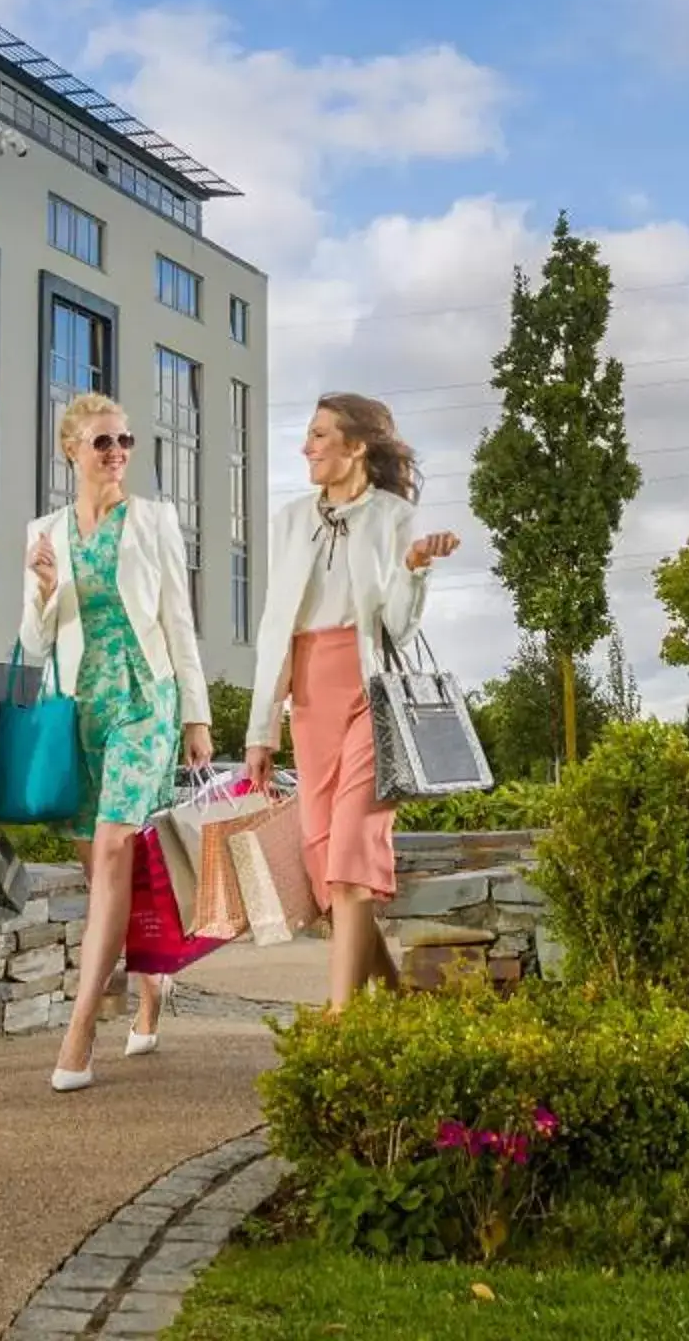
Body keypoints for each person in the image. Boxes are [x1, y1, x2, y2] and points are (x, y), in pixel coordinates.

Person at [18, 390, 214, 1092]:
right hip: (77, 707)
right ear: (71, 448)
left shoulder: (155, 521)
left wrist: (197, 716)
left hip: (144, 699)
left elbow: (180, 621)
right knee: (101, 864)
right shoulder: (43, 529)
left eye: (126, 441)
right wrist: (43, 588)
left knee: (112, 846)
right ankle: (151, 979)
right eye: (103, 442)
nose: (117, 453)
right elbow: (32, 642)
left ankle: (80, 1033)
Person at [244, 394, 461, 1011]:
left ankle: (340, 1026)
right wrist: (262, 727)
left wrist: (416, 567)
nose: (306, 448)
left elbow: (397, 624)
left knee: (348, 858)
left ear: (356, 446)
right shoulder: (289, 521)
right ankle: (395, 1002)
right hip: (308, 697)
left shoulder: (392, 516)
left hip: (372, 695)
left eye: (318, 436)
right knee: (323, 862)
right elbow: (272, 627)